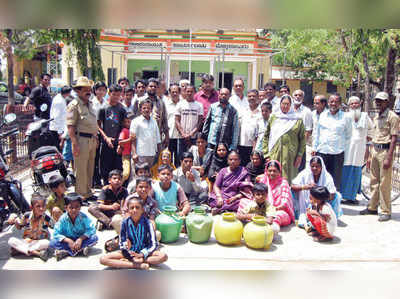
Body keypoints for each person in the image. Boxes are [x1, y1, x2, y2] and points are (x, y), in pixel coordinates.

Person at [360, 92, 400, 221]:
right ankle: (372, 206)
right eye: (377, 100)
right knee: (373, 180)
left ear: (387, 102)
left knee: (384, 182)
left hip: (385, 151)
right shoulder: (376, 117)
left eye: (381, 101)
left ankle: (385, 210)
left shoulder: (392, 117)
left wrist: (389, 157)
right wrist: (371, 155)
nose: (378, 103)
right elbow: (374, 136)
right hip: (375, 149)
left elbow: (394, 138)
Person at [99, 197, 167, 270]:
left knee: (163, 256)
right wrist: (129, 252)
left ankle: (133, 262)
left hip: (144, 251)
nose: (135, 210)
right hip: (129, 252)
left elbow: (153, 243)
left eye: (137, 208)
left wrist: (142, 254)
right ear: (128, 210)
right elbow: (122, 242)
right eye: (132, 208)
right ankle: (136, 265)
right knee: (103, 259)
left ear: (142, 210)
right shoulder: (125, 223)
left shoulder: (148, 223)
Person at [67, 76, 98, 203]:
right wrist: (74, 144)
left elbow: (92, 123)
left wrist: (96, 138)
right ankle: (80, 195)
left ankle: (88, 192)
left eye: (89, 89)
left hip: (91, 140)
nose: (88, 91)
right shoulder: (74, 105)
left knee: (90, 167)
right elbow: (70, 126)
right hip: (81, 140)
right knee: (80, 169)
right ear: (78, 91)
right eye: (85, 89)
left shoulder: (90, 104)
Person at [262, 95, 306, 183]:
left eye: (287, 104)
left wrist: (299, 155)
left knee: (290, 179)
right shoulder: (274, 118)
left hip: (291, 156)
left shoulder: (297, 120)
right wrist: (266, 154)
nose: (285, 106)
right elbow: (266, 136)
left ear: (291, 105)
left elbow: (302, 140)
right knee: (274, 176)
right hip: (274, 154)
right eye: (283, 104)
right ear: (280, 104)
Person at [312, 93, 352, 188]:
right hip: (322, 151)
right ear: (328, 103)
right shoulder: (322, 115)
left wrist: (344, 150)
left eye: (336, 102)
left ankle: (332, 202)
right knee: (320, 179)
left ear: (340, 103)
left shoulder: (346, 117)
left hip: (337, 153)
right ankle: (319, 200)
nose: (333, 104)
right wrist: (314, 147)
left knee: (334, 182)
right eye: (331, 101)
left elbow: (348, 136)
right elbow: (316, 133)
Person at [291, 156, 343, 227]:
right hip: (305, 203)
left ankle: (327, 218)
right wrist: (305, 187)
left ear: (321, 167)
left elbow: (332, 194)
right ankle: (301, 215)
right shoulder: (304, 174)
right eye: (312, 166)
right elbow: (293, 186)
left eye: (317, 166)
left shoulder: (327, 177)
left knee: (337, 196)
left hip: (322, 204)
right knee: (292, 192)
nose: (314, 168)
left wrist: (319, 196)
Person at [340, 96, 373, 205]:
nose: (354, 105)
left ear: (360, 104)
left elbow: (371, 129)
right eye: (352, 104)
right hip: (347, 148)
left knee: (356, 170)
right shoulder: (345, 116)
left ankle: (352, 196)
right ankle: (344, 196)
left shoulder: (365, 116)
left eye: (356, 103)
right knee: (346, 171)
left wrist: (369, 137)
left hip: (359, 149)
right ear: (349, 106)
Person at [50, 192, 98, 261]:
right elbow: (56, 233)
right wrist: (68, 241)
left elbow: (91, 229)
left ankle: (67, 252)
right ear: (66, 208)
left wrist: (81, 239)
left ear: (80, 207)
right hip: (68, 240)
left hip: (80, 239)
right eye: (71, 207)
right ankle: (79, 250)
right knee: (52, 242)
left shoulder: (83, 217)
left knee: (94, 238)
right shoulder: (63, 218)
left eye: (77, 207)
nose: (74, 210)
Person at [8, 195, 53, 262]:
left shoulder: (47, 218)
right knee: (11, 240)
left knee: (47, 243)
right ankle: (36, 253)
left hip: (39, 242)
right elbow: (19, 226)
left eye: (43, 206)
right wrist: (15, 221)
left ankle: (20, 250)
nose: (41, 208)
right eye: (38, 206)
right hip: (27, 242)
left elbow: (56, 226)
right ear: (32, 207)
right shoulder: (27, 216)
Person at [97, 84, 127, 184]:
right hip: (106, 142)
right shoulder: (103, 108)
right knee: (105, 167)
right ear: (109, 93)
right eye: (114, 94)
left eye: (118, 95)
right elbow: (98, 125)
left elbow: (123, 126)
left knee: (118, 166)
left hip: (117, 142)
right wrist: (106, 138)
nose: (116, 97)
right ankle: (106, 186)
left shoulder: (121, 109)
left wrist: (120, 143)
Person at [208, 151, 252, 215]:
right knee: (214, 200)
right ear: (227, 161)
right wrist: (219, 197)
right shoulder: (223, 171)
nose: (233, 161)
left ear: (239, 161)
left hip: (236, 197)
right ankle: (224, 208)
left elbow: (247, 188)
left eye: (235, 159)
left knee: (245, 202)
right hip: (223, 195)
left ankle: (220, 209)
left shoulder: (244, 171)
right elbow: (216, 186)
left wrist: (236, 197)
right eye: (231, 159)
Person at [256, 160, 295, 227]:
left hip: (278, 211)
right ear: (266, 171)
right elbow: (256, 196)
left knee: (278, 216)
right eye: (269, 171)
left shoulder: (283, 183)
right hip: (263, 209)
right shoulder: (263, 180)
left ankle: (270, 228)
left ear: (279, 172)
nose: (272, 173)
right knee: (243, 202)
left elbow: (284, 204)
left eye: (274, 171)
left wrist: (271, 210)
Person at [133, 78, 169, 148]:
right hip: (142, 137)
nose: (153, 88)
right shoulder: (139, 101)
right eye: (151, 86)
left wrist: (167, 136)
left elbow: (164, 120)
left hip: (157, 137)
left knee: (156, 157)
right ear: (146, 87)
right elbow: (134, 119)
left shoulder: (161, 102)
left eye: (155, 87)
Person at [130, 99, 161, 166]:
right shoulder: (135, 121)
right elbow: (132, 139)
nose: (146, 110)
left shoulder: (154, 121)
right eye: (144, 108)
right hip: (140, 154)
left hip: (152, 154)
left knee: (150, 175)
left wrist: (159, 153)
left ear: (151, 109)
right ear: (140, 109)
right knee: (139, 174)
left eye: (148, 108)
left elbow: (158, 139)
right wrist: (134, 153)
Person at [175, 84, 203, 155]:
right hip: (181, 137)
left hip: (194, 137)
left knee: (194, 157)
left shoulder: (199, 105)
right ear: (184, 92)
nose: (189, 93)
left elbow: (200, 122)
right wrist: (183, 133)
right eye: (187, 91)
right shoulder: (180, 104)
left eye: (191, 91)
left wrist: (191, 134)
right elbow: (177, 120)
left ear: (195, 92)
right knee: (180, 157)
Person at [237, 89, 261, 166]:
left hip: (255, 145)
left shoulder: (262, 111)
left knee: (253, 166)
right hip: (242, 144)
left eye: (254, 96)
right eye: (249, 96)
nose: (251, 98)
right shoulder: (243, 110)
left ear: (258, 97)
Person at [91, 81, 108, 187]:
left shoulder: (106, 103)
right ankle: (95, 180)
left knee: (103, 158)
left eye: (103, 90)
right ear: (95, 91)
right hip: (95, 133)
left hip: (105, 133)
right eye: (99, 90)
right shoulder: (91, 103)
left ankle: (102, 179)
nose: (101, 92)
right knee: (94, 157)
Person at [292, 89, 313, 171]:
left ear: (303, 98)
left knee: (299, 168)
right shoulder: (289, 110)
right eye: (296, 95)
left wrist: (301, 147)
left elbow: (308, 131)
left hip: (300, 146)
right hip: (289, 145)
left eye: (300, 95)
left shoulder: (307, 111)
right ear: (292, 97)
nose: (298, 97)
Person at [49, 85, 72, 151]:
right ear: (66, 93)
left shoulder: (60, 98)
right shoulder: (59, 101)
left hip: (59, 128)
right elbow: (56, 117)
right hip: (57, 129)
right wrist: (60, 132)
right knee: (58, 149)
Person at [165, 83, 181, 166]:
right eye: (172, 92)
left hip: (180, 136)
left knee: (179, 159)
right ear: (169, 93)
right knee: (169, 158)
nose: (174, 94)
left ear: (179, 92)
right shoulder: (166, 105)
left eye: (176, 92)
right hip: (169, 136)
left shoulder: (183, 104)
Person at [117, 117, 133, 184]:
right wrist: (130, 139)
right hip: (126, 154)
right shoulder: (124, 130)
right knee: (126, 173)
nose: (127, 124)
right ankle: (118, 184)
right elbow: (120, 142)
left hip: (133, 154)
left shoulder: (133, 130)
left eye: (129, 122)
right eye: (125, 122)